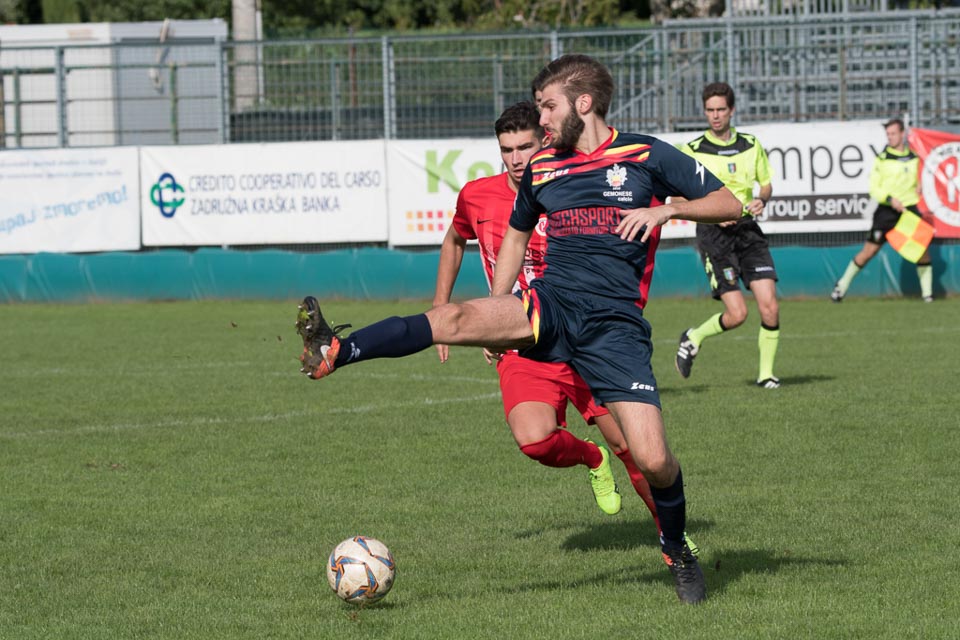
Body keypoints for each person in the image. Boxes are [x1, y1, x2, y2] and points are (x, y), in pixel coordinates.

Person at [295, 54, 742, 604]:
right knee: (455, 318)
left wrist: (666, 212)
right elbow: (515, 236)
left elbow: (730, 201)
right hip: (550, 305)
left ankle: (676, 549)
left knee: (653, 459)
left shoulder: (645, 154)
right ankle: (339, 349)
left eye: (549, 107)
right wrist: (499, 305)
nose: (542, 119)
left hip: (613, 327)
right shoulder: (544, 166)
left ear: (584, 103)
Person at [435, 100, 663, 527]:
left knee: (634, 449)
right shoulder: (477, 196)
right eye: (507, 150)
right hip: (524, 337)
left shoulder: (577, 186)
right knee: (534, 440)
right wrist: (442, 307)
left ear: (545, 141)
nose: (516, 159)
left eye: (525, 147)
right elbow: (454, 240)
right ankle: (592, 458)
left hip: (586, 336)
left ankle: (673, 541)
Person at [674, 82, 782, 390]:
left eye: (721, 109)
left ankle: (766, 375)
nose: (716, 115)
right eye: (710, 110)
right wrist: (712, 213)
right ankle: (694, 337)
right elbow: (677, 200)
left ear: (732, 110)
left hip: (747, 231)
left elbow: (766, 184)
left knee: (770, 306)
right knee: (738, 314)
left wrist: (762, 199)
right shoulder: (693, 150)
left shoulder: (750, 144)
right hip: (714, 235)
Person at [830, 118, 933, 302]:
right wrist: (890, 199)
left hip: (908, 211)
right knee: (869, 252)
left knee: (921, 250)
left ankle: (928, 295)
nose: (890, 137)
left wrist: (920, 186)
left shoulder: (914, 158)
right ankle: (841, 287)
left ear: (902, 134)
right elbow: (874, 189)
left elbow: (919, 180)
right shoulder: (882, 158)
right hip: (886, 211)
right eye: (888, 134)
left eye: (893, 133)